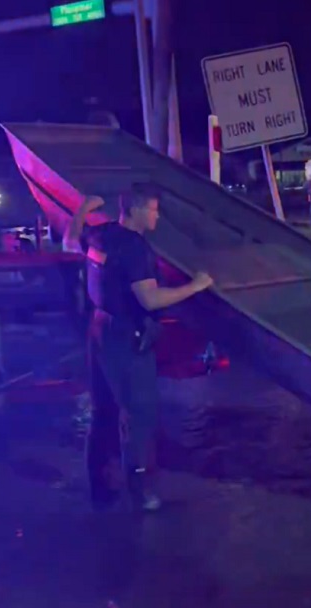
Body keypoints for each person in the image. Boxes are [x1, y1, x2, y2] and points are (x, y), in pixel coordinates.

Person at [81, 183, 213, 512]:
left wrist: (83, 209)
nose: (157, 215)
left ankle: (99, 487)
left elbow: (70, 239)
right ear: (137, 210)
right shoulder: (134, 247)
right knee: (140, 415)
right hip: (126, 337)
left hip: (99, 330)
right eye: (153, 209)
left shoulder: (100, 234)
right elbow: (150, 298)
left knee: (104, 411)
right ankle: (139, 489)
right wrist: (195, 287)